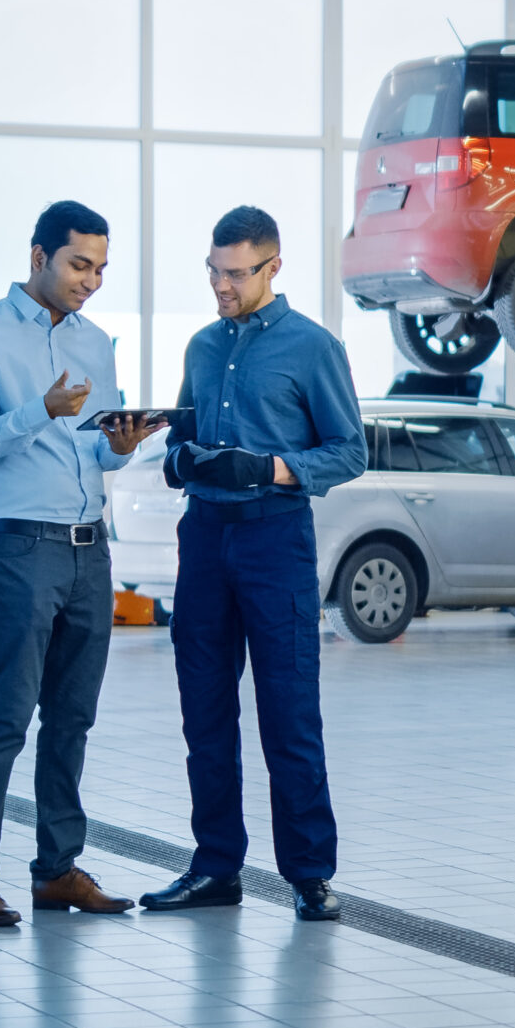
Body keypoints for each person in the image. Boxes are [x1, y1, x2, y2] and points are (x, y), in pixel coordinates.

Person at [140, 206, 366, 921]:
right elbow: (185, 432)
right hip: (204, 540)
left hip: (276, 541)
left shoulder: (314, 348)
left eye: (236, 274)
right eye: (214, 271)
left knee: (288, 713)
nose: (222, 286)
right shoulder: (202, 347)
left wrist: (270, 469)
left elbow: (349, 450)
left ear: (273, 268)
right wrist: (177, 456)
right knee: (203, 713)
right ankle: (215, 868)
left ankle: (308, 875)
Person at [0, 200, 163, 927]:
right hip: (18, 546)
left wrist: (122, 443)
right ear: (38, 258)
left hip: (86, 548)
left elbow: (94, 446)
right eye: (79, 265)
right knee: (5, 716)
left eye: (101, 268)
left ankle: (57, 870)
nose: (91, 281)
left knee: (72, 718)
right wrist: (39, 409)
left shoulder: (97, 343)